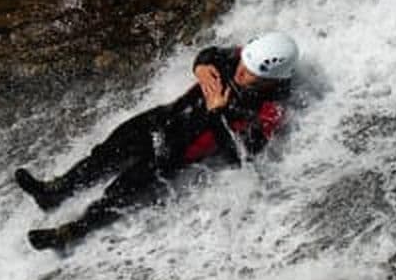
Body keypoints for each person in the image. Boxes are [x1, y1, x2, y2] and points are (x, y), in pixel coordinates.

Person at [16, 31, 300, 250]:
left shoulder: (270, 110)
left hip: (177, 152)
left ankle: (70, 233)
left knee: (121, 191)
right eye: (243, 63)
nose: (240, 70)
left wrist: (217, 113)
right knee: (103, 156)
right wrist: (200, 67)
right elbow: (210, 54)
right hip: (161, 120)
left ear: (271, 80)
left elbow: (240, 157)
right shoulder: (243, 56)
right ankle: (53, 192)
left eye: (251, 72)